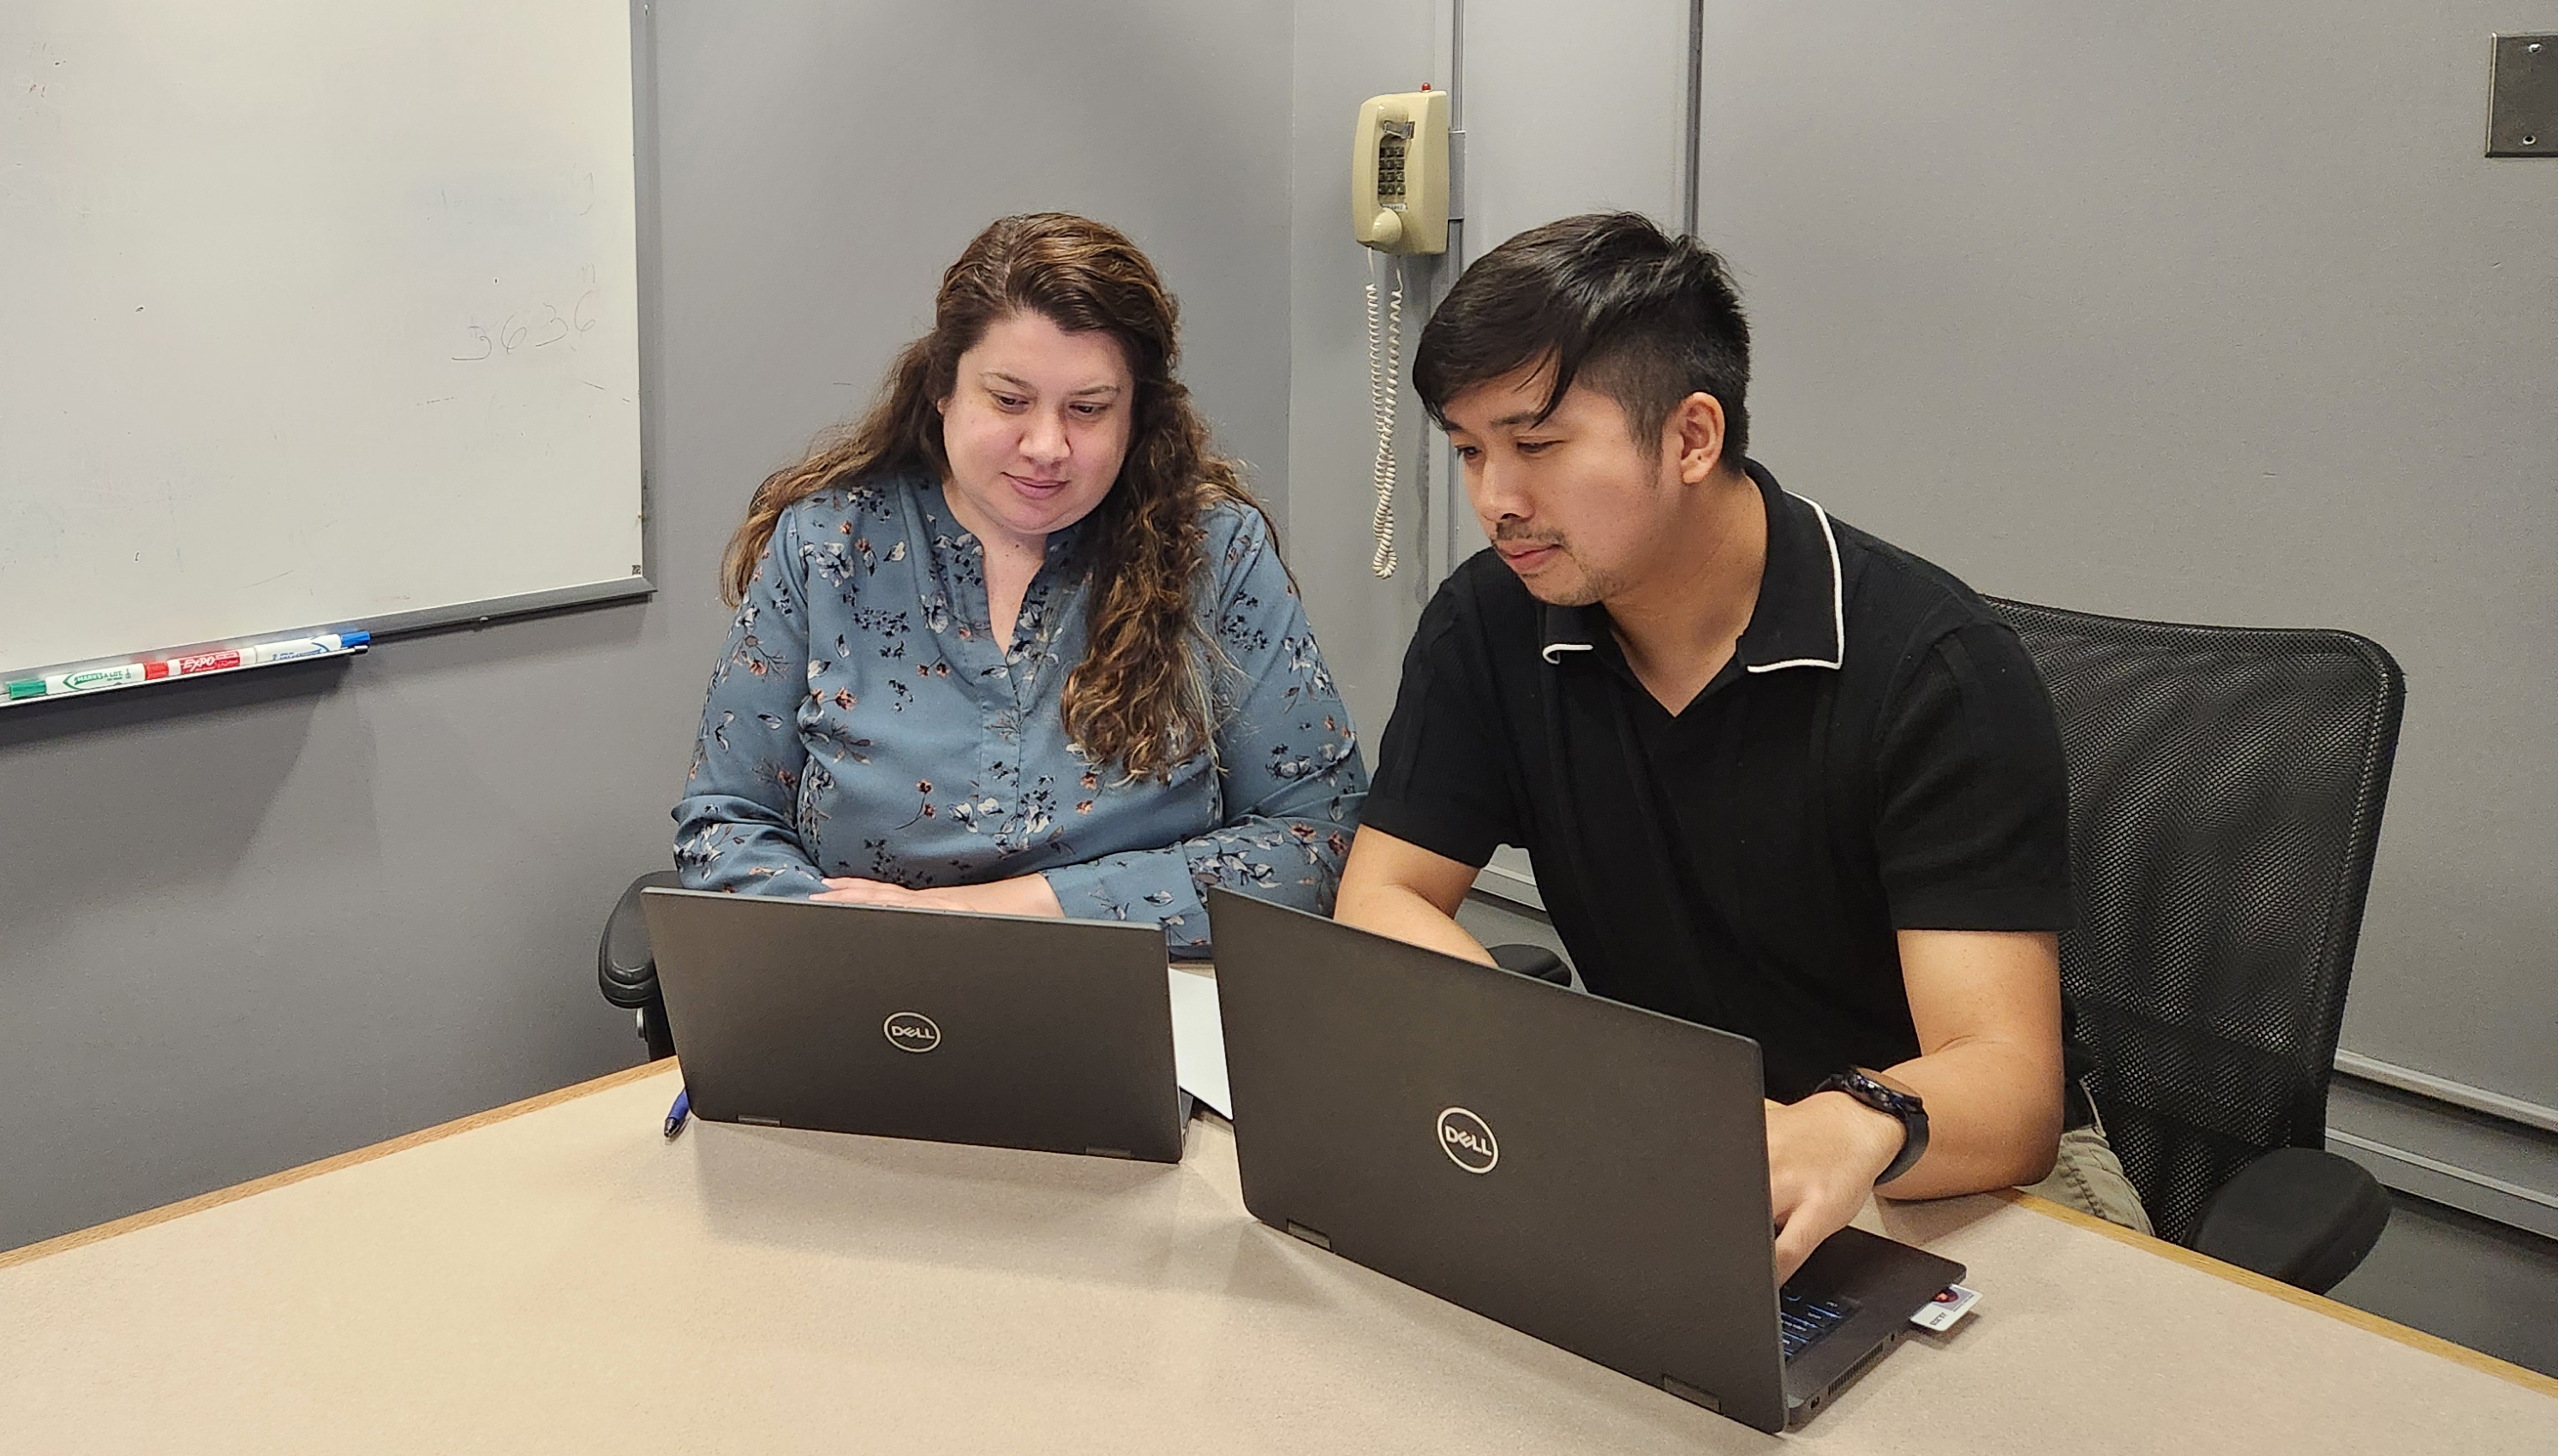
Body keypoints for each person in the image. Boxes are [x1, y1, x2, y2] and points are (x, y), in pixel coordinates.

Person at [1334, 211, 2148, 1280]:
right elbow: (1381, 896)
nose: (1497, 501)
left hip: (1949, 1172)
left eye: (1536, 446)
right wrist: (1552, 1067)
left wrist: (1848, 1120)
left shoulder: (1932, 668)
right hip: (1682, 1147)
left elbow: (2008, 1089)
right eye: (1470, 451)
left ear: (1690, 438)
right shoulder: (1493, 621)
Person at [672, 212, 1362, 953]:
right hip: (871, 987)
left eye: (1089, 410)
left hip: (1143, 1000)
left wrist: (989, 913)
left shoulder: (1213, 551)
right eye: (1008, 400)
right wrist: (859, 937)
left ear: (1138, 415)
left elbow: (1317, 840)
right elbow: (726, 828)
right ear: (944, 390)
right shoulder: (828, 544)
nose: (1046, 447)